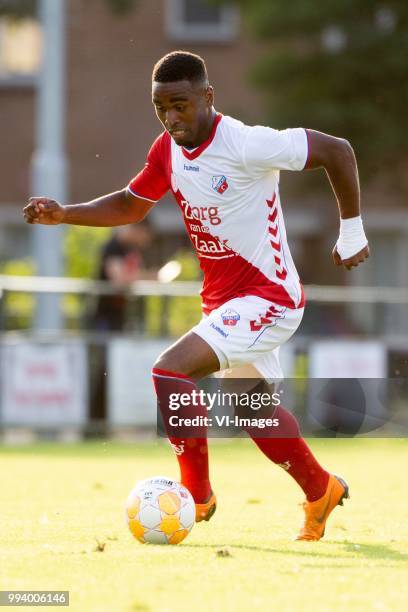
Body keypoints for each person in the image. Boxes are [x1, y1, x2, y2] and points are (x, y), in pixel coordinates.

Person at [23, 51, 369, 541]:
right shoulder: (166, 149)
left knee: (168, 369)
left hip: (269, 298)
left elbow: (338, 149)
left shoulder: (248, 143)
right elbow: (130, 204)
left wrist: (351, 231)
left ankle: (197, 496)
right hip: (227, 304)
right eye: (160, 107)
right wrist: (65, 214)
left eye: (180, 105)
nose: (171, 117)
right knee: (253, 411)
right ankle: (321, 491)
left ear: (208, 97)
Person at [92, 221, 153, 332]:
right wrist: (151, 276)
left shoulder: (132, 248)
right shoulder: (113, 247)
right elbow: (119, 280)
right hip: (106, 314)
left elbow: (136, 272)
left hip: (126, 313)